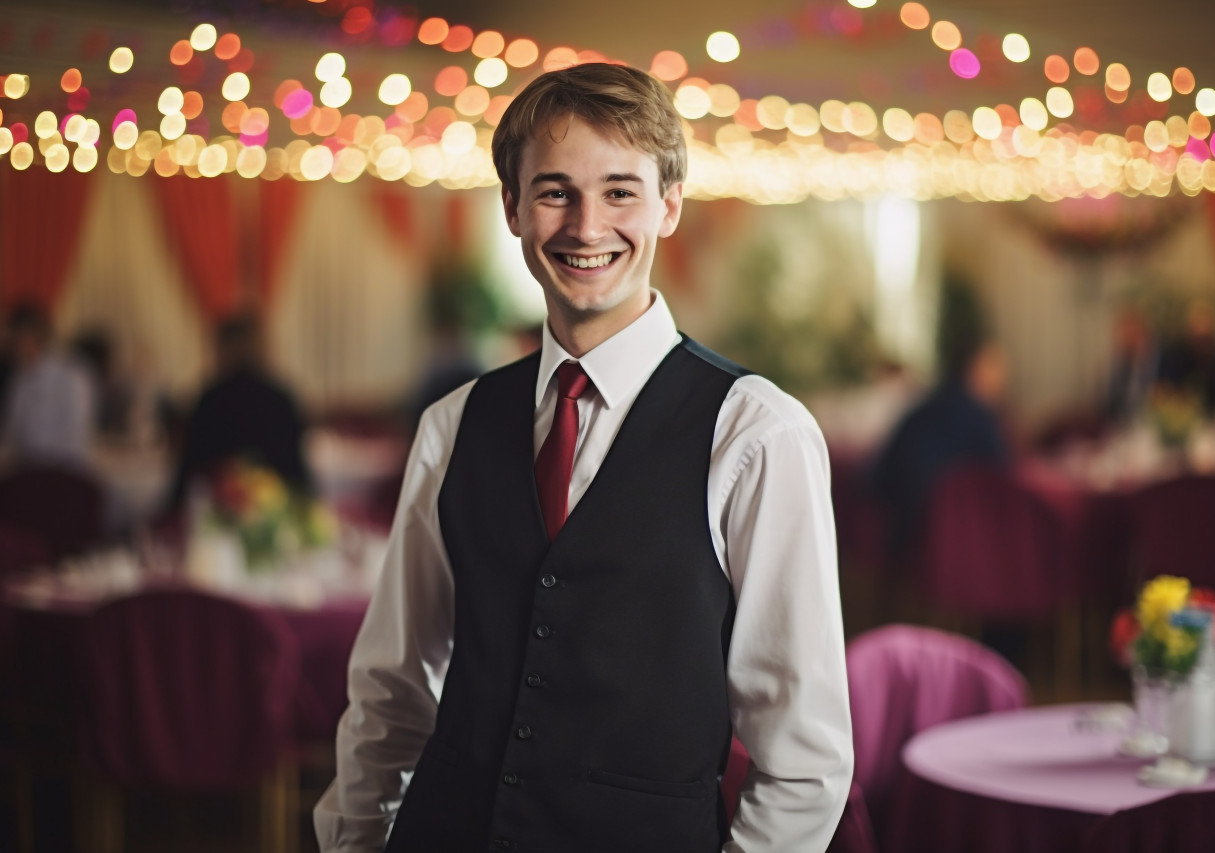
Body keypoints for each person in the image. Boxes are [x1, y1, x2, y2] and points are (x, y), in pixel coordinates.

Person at [315, 63, 852, 852]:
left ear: (670, 204)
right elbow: (391, 691)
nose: (586, 225)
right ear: (513, 207)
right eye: (556, 190)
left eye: (621, 191)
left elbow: (803, 759)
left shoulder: (757, 434)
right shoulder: (451, 425)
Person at [866, 315, 1010, 564]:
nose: (1003, 375)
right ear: (974, 366)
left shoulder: (922, 409)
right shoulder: (979, 421)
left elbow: (876, 475)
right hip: (958, 549)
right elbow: (1005, 480)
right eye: (995, 365)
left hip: (901, 531)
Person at [164, 312, 311, 510]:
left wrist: (171, 511)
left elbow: (187, 470)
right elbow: (298, 474)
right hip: (277, 511)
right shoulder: (281, 399)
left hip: (221, 511)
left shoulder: (210, 399)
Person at [0, 302, 97, 469]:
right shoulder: (20, 377)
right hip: (26, 471)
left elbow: (72, 439)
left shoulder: (71, 376)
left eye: (11, 338)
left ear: (29, 337)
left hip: (62, 473)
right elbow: (12, 433)